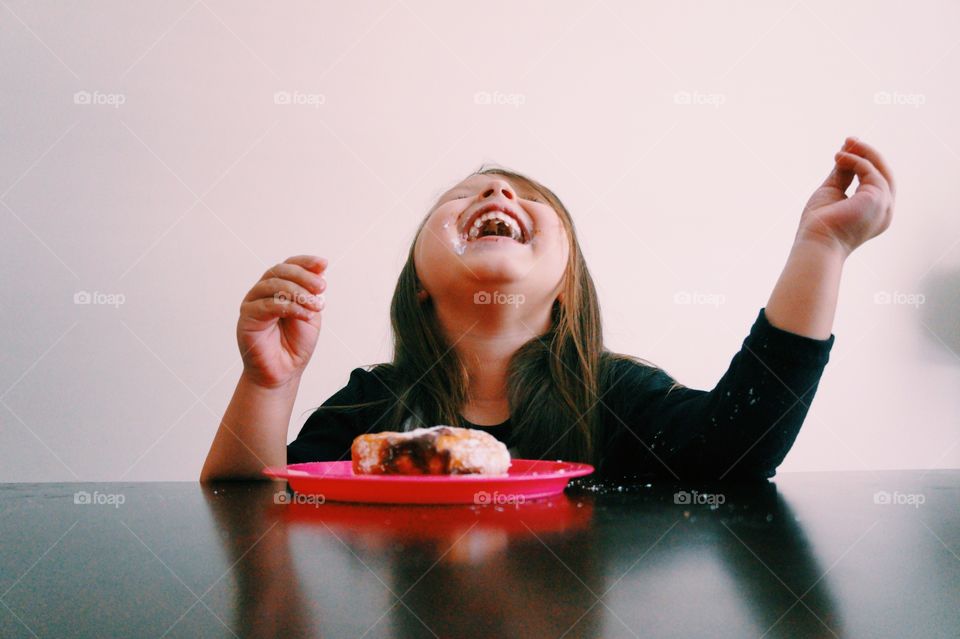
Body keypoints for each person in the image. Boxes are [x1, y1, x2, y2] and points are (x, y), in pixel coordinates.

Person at [200, 137, 895, 482]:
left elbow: (738, 447)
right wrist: (271, 382)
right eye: (469, 193)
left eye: (524, 198)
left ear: (566, 286)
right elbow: (252, 510)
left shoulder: (616, 396)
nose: (497, 192)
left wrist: (822, 247)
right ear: (418, 281)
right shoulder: (373, 406)